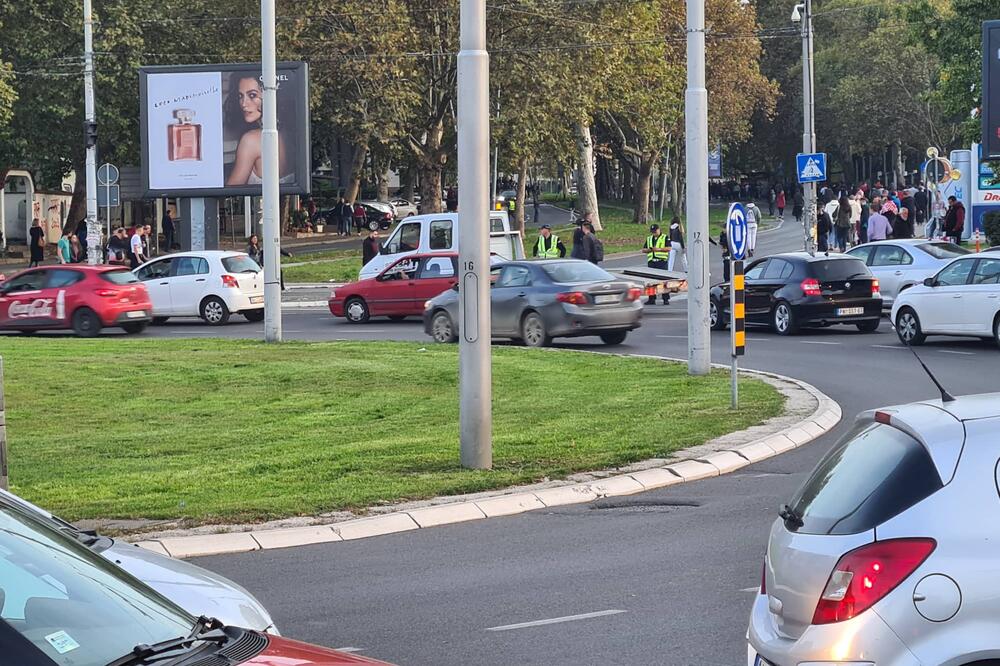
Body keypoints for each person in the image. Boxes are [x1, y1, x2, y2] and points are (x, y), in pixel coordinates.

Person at [225, 73, 291, 186]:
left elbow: (231, 191)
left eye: (252, 95)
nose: (243, 104)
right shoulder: (289, 134)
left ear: (271, 95)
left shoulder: (251, 140)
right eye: (240, 96)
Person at [642, 224, 670, 304]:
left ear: (659, 229)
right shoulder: (649, 238)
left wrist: (659, 249)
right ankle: (651, 299)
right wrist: (650, 250)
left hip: (661, 262)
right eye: (652, 232)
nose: (654, 233)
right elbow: (643, 249)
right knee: (651, 281)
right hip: (652, 262)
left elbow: (669, 248)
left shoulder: (665, 237)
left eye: (655, 231)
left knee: (663, 280)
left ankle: (665, 299)